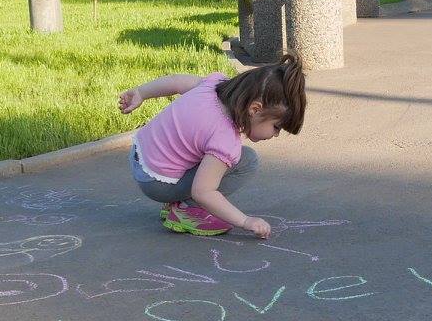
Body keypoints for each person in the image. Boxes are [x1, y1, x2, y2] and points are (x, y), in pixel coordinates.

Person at [118, 56, 307, 237]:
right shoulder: (224, 140)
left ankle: (178, 202)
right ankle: (187, 210)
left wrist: (141, 93)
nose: (275, 135)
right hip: (157, 184)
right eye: (276, 127)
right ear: (255, 109)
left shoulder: (213, 86)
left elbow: (175, 81)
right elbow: (203, 192)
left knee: (205, 149)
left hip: (140, 154)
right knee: (247, 160)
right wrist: (245, 221)